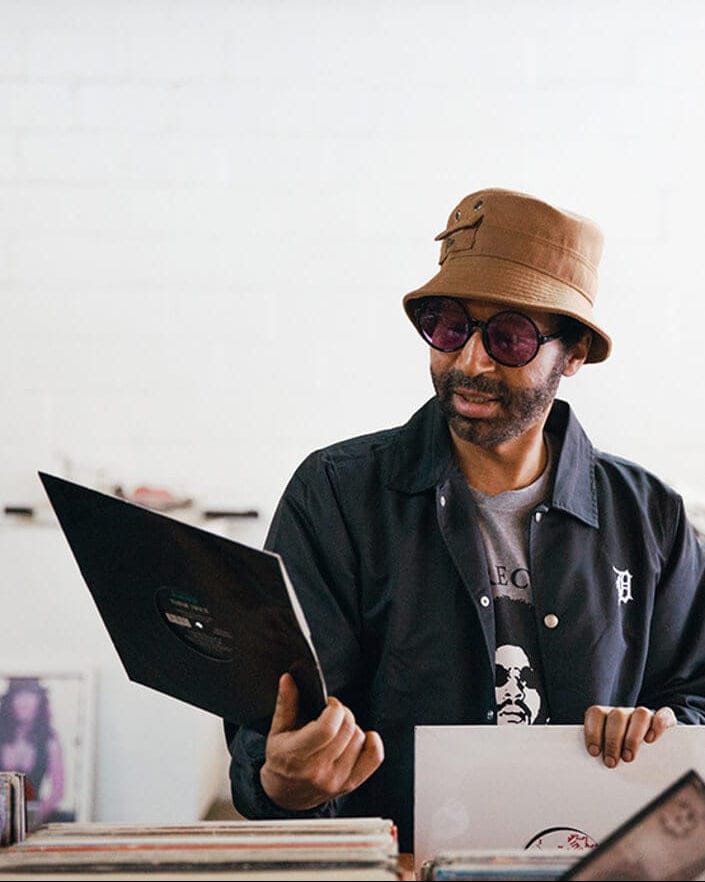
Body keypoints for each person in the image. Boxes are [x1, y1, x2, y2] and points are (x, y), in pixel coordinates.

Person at [225, 187, 705, 852]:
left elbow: (695, 693)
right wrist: (282, 784)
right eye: (449, 327)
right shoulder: (336, 496)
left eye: (509, 337)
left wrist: (664, 730)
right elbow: (273, 728)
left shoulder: (649, 516)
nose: (471, 362)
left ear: (572, 354)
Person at [0, 677, 66, 826]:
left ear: (39, 700)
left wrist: (31, 820)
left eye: (30, 694)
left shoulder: (49, 741)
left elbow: (57, 791)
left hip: (34, 821)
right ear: (10, 701)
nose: (24, 702)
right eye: (19, 695)